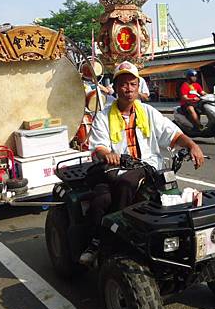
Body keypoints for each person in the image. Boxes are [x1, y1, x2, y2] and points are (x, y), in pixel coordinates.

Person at [79, 61, 205, 265]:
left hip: (148, 170)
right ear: (116, 87)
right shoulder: (103, 116)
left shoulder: (148, 112)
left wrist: (192, 145)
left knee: (171, 198)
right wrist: (108, 154)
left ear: (138, 86)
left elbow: (172, 133)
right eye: (123, 84)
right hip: (113, 169)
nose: (128, 89)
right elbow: (98, 146)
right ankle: (99, 241)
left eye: (132, 84)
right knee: (101, 200)